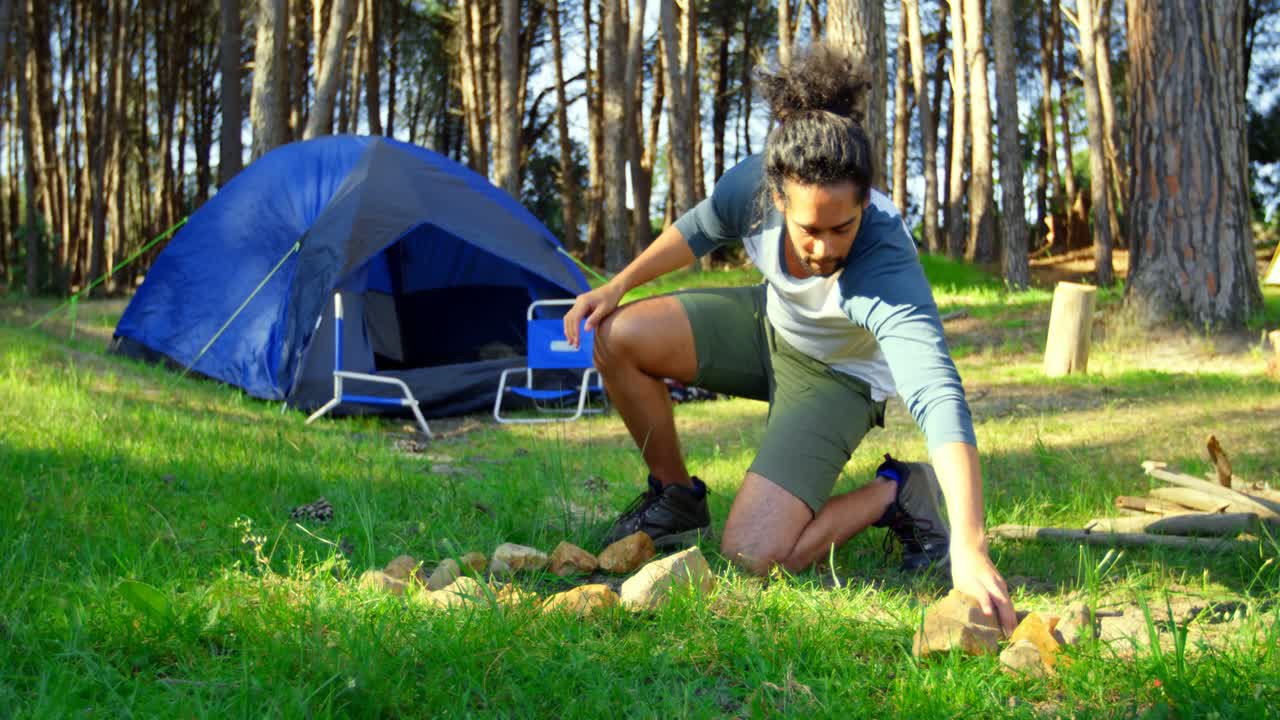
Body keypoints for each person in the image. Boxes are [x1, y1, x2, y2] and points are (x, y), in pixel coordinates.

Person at [563, 44, 1014, 630]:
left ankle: (897, 493)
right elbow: (697, 229)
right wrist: (617, 285)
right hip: (766, 327)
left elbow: (935, 391)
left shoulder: (883, 260)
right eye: (809, 229)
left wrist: (970, 546)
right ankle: (675, 498)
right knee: (618, 335)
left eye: (841, 227)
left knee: (753, 556)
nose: (825, 248)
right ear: (777, 199)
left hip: (836, 378)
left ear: (864, 205)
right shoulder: (752, 187)